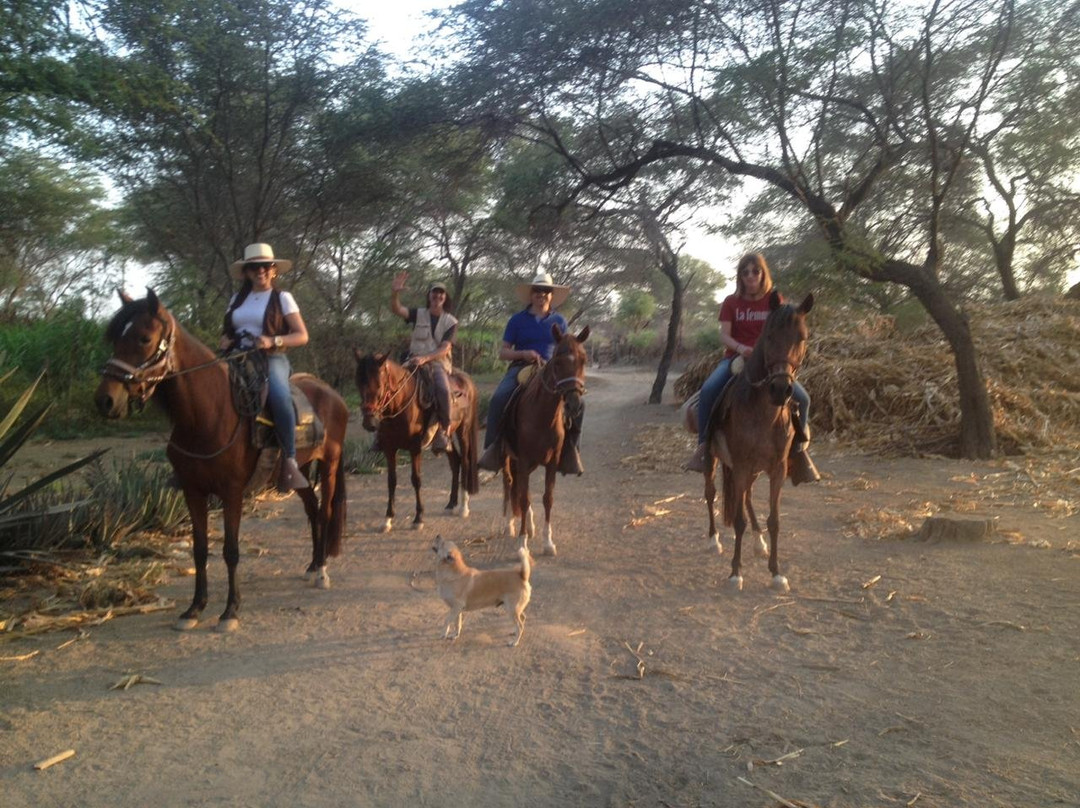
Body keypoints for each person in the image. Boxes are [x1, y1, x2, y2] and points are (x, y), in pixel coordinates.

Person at [685, 252, 818, 483]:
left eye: (755, 271)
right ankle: (703, 448)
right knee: (708, 391)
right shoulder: (731, 302)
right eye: (745, 272)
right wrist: (741, 348)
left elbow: (785, 333)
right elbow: (724, 336)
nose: (750, 276)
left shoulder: (775, 301)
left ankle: (799, 452)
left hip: (769, 362)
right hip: (735, 358)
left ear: (762, 273)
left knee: (803, 400)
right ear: (740, 276)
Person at [221, 243, 310, 493]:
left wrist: (274, 340)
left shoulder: (282, 298)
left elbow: (302, 336)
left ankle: (290, 460)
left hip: (271, 358)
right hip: (237, 356)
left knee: (279, 396)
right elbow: (228, 331)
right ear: (247, 272)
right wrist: (225, 340)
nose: (260, 271)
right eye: (254, 267)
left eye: (265, 266)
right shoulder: (236, 300)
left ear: (273, 271)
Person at [478, 271, 584, 475]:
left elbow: (566, 349)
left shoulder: (560, 321)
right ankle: (492, 450)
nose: (541, 294)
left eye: (546, 291)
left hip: (551, 370)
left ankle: (571, 451)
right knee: (499, 398)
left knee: (579, 403)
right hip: (521, 367)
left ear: (551, 295)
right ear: (531, 294)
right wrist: (523, 353)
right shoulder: (517, 320)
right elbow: (503, 352)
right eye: (537, 290)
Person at [389, 271, 458, 454]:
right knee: (388, 385)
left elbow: (445, 348)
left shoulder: (451, 321)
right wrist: (395, 292)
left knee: (443, 390)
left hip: (437, 363)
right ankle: (382, 433)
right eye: (434, 292)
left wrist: (425, 358)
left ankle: (444, 431)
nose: (437, 296)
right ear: (429, 296)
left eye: (441, 293)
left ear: (445, 297)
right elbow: (398, 309)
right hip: (412, 360)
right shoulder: (417, 313)